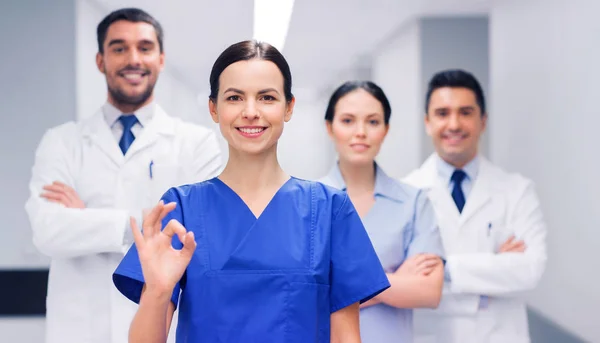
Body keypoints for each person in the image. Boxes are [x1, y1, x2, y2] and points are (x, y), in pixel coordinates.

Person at [112, 40, 391, 343]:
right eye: (234, 97)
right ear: (214, 109)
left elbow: (346, 337)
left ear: (288, 107)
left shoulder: (330, 210)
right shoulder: (180, 209)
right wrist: (157, 292)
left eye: (267, 97)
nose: (250, 112)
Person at [24, 8, 222, 343]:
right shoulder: (61, 142)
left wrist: (86, 220)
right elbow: (47, 230)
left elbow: (204, 229)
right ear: (100, 61)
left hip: (161, 327)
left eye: (144, 48)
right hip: (80, 329)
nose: (133, 59)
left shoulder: (197, 143)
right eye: (119, 48)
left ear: (160, 59)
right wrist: (147, 224)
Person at [403, 69, 547, 343]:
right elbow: (403, 280)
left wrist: (443, 268)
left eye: (466, 112)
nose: (454, 124)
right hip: (431, 335)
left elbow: (530, 270)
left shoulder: (517, 190)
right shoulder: (406, 192)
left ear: (483, 121)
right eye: (442, 113)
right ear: (427, 122)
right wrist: (496, 265)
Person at [318, 81, 445, 342]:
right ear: (330, 127)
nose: (360, 132)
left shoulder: (414, 202)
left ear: (386, 130)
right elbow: (303, 298)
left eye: (373, 122)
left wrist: (342, 288)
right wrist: (394, 281)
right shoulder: (308, 203)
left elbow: (429, 291)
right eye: (348, 120)